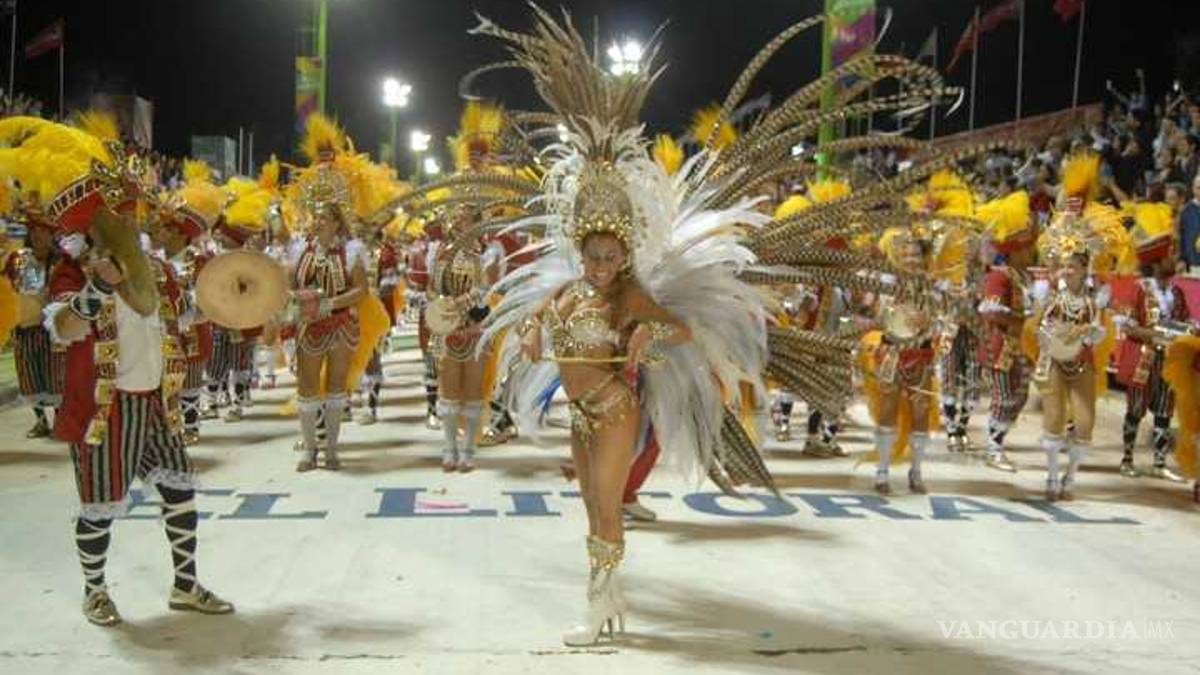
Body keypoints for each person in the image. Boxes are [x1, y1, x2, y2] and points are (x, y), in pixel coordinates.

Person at [2, 116, 234, 626]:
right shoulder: (72, 272)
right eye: (123, 213)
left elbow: (184, 315)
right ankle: (95, 591)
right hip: (105, 410)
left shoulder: (158, 271)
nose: (134, 219)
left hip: (156, 402)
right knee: (100, 504)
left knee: (180, 491)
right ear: (99, 223)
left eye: (133, 211)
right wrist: (99, 287)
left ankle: (186, 585)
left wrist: (233, 300)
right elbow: (62, 327)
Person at [286, 115, 370, 472]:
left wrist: (329, 303)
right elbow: (288, 284)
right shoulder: (298, 249)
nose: (316, 221)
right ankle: (309, 451)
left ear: (337, 221)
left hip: (339, 325)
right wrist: (298, 302)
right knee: (307, 388)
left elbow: (361, 290)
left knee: (336, 387)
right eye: (315, 216)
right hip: (309, 325)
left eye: (323, 217)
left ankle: (331, 449)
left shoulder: (352, 250)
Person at [1116, 202, 1192, 481]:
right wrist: (1155, 335)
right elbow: (1126, 324)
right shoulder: (1139, 290)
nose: (1174, 259)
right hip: (1144, 359)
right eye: (1169, 255)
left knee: (1164, 411)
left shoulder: (1177, 292)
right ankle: (1127, 459)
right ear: (1157, 263)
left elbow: (1185, 320)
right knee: (1135, 410)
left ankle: (1159, 463)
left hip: (1168, 360)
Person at [977, 191, 1035, 473]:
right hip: (1000, 347)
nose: (1031, 253)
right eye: (1027, 249)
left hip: (1019, 347)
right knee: (1003, 397)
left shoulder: (1023, 277)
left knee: (1019, 397)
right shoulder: (999, 275)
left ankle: (997, 440)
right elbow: (991, 312)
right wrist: (1023, 320)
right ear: (1016, 251)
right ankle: (994, 449)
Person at [3, 199, 65, 438]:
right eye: (34, 231)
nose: (38, 236)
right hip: (24, 328)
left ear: (52, 235)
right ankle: (41, 421)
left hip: (51, 331)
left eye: (43, 231)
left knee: (55, 377)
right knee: (29, 378)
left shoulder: (61, 262)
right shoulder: (17, 258)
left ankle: (60, 420)